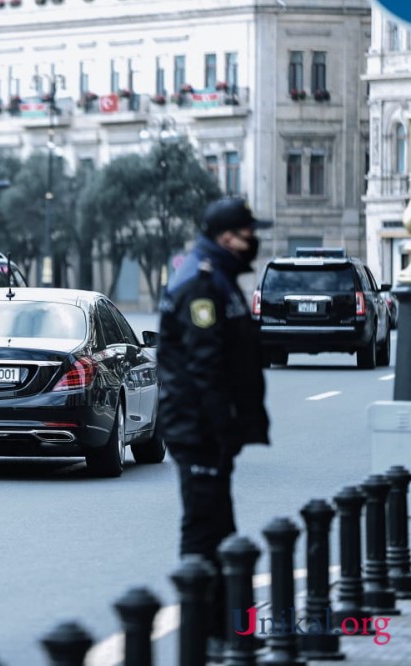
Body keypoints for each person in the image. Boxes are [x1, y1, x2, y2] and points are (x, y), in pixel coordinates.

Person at [157, 197, 272, 656]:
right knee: (204, 530)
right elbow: (205, 366)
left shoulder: (215, 275)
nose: (253, 241)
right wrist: (222, 427)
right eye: (247, 234)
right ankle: (202, 632)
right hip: (199, 430)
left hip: (208, 429)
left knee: (221, 531)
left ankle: (228, 630)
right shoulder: (202, 284)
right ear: (227, 237)